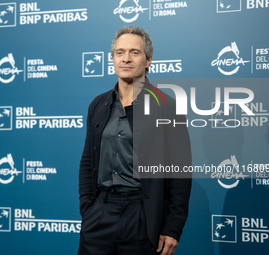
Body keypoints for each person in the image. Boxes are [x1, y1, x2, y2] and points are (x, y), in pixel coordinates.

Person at [78, 26, 192, 255]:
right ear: (112, 59)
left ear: (148, 60)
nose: (126, 59)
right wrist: (88, 208)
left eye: (134, 52)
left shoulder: (167, 107)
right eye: (119, 53)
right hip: (100, 214)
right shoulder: (97, 105)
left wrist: (172, 228)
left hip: (142, 215)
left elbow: (181, 172)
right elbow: (88, 159)